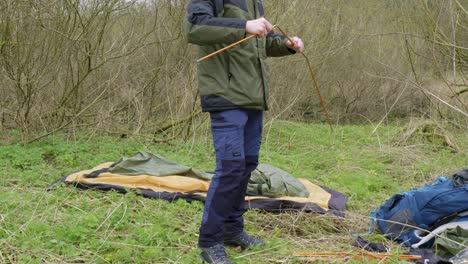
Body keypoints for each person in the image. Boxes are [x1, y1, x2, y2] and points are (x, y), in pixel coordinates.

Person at [185, 1, 304, 263]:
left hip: (253, 98)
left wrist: (285, 45)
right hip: (225, 96)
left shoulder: (254, 3)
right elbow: (195, 27)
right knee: (230, 167)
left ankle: (232, 230)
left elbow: (258, 44)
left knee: (247, 164)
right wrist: (245, 25)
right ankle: (210, 241)